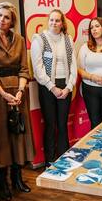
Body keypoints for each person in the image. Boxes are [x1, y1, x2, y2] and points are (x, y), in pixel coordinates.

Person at [0, 2, 35, 201]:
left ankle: (17, 178)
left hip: (18, 93)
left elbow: (24, 69)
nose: (2, 20)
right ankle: (2, 182)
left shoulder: (19, 39)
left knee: (18, 134)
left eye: (7, 17)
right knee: (1, 136)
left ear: (12, 21)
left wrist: (20, 91)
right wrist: (4, 94)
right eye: (0, 16)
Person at [31, 9, 77, 166]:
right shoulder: (39, 39)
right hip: (47, 87)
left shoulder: (68, 40)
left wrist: (69, 87)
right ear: (47, 21)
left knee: (62, 124)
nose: (54, 23)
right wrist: (52, 87)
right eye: (51, 20)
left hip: (65, 86)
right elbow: (37, 69)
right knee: (50, 124)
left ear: (62, 23)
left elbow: (73, 66)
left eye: (57, 20)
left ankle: (64, 159)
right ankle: (50, 160)